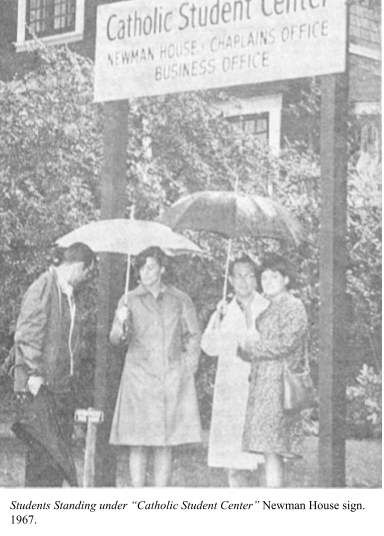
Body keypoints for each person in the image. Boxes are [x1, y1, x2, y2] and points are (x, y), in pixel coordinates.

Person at [109, 247, 202, 488]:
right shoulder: (128, 299)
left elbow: (193, 335)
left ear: (162, 268)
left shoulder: (180, 299)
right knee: (137, 442)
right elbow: (116, 340)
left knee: (165, 441)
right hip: (138, 379)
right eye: (141, 268)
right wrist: (120, 321)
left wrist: (187, 367)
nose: (145, 273)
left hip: (170, 378)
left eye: (150, 267)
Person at [13, 243, 95, 488]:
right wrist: (34, 372)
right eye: (88, 272)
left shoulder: (68, 293)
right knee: (42, 461)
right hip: (40, 388)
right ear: (79, 266)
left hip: (60, 389)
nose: (86, 277)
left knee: (56, 460)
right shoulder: (43, 287)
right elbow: (27, 334)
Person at [239, 255, 308, 488]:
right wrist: (246, 343)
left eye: (274, 276)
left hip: (279, 387)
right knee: (269, 450)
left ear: (286, 279)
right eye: (264, 277)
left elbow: (286, 343)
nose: (268, 281)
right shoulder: (266, 309)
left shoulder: (293, 306)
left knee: (274, 448)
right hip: (263, 386)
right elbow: (248, 349)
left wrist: (255, 346)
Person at [202, 254, 270, 488]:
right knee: (234, 462)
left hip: (259, 390)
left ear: (256, 279)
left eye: (249, 275)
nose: (244, 282)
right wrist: (218, 319)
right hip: (231, 392)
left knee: (262, 462)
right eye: (238, 276)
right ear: (230, 280)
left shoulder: (267, 307)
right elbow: (209, 347)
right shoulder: (224, 309)